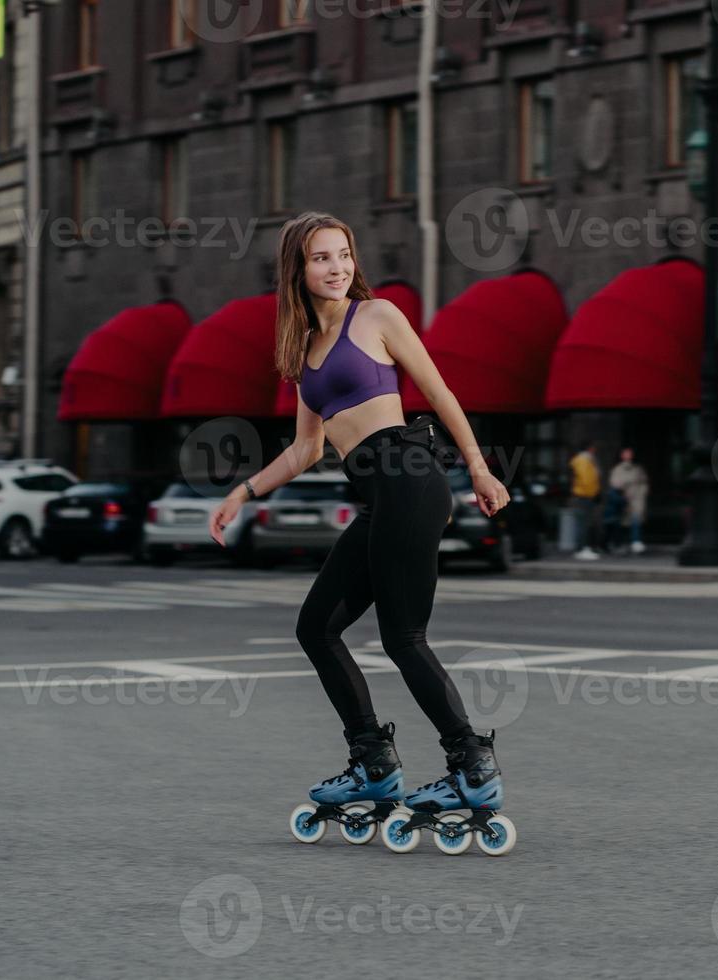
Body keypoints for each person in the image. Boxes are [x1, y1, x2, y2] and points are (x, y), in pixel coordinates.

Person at [208, 212, 513, 845]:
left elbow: (441, 392)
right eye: (322, 258)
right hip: (377, 496)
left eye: (343, 254)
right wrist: (240, 492)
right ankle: (373, 763)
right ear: (298, 269)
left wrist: (479, 471)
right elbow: (306, 450)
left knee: (404, 637)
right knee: (316, 627)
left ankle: (470, 767)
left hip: (409, 476)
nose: (338, 267)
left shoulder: (376, 317)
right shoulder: (306, 356)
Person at [609, 447, 649, 554]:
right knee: (622, 522)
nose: (628, 455)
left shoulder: (638, 468)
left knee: (636, 519)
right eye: (626, 453)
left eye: (630, 453)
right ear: (621, 455)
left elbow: (644, 482)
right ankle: (621, 543)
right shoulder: (617, 469)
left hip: (637, 498)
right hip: (623, 499)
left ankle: (636, 541)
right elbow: (615, 484)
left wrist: (642, 493)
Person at [568, 440, 602, 560]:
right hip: (584, 496)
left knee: (584, 523)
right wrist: (593, 493)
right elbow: (587, 480)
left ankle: (583, 547)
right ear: (589, 448)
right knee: (583, 523)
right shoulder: (584, 461)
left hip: (584, 496)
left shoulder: (584, 460)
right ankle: (581, 548)